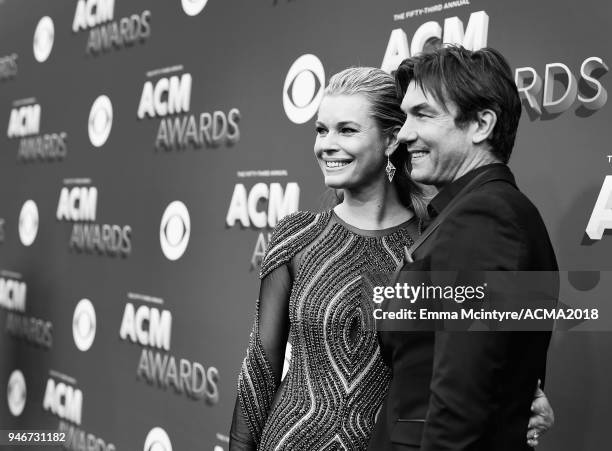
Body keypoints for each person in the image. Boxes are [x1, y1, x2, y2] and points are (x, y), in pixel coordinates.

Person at [229, 66, 553, 451]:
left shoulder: (434, 242)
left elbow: (476, 359)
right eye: (321, 130)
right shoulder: (297, 235)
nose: (326, 144)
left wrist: (522, 406)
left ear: (390, 139)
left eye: (346, 130)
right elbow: (260, 369)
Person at [369, 46, 558, 451]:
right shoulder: (490, 212)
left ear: (480, 124)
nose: (403, 134)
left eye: (422, 114)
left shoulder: (485, 219)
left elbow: (460, 404)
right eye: (405, 117)